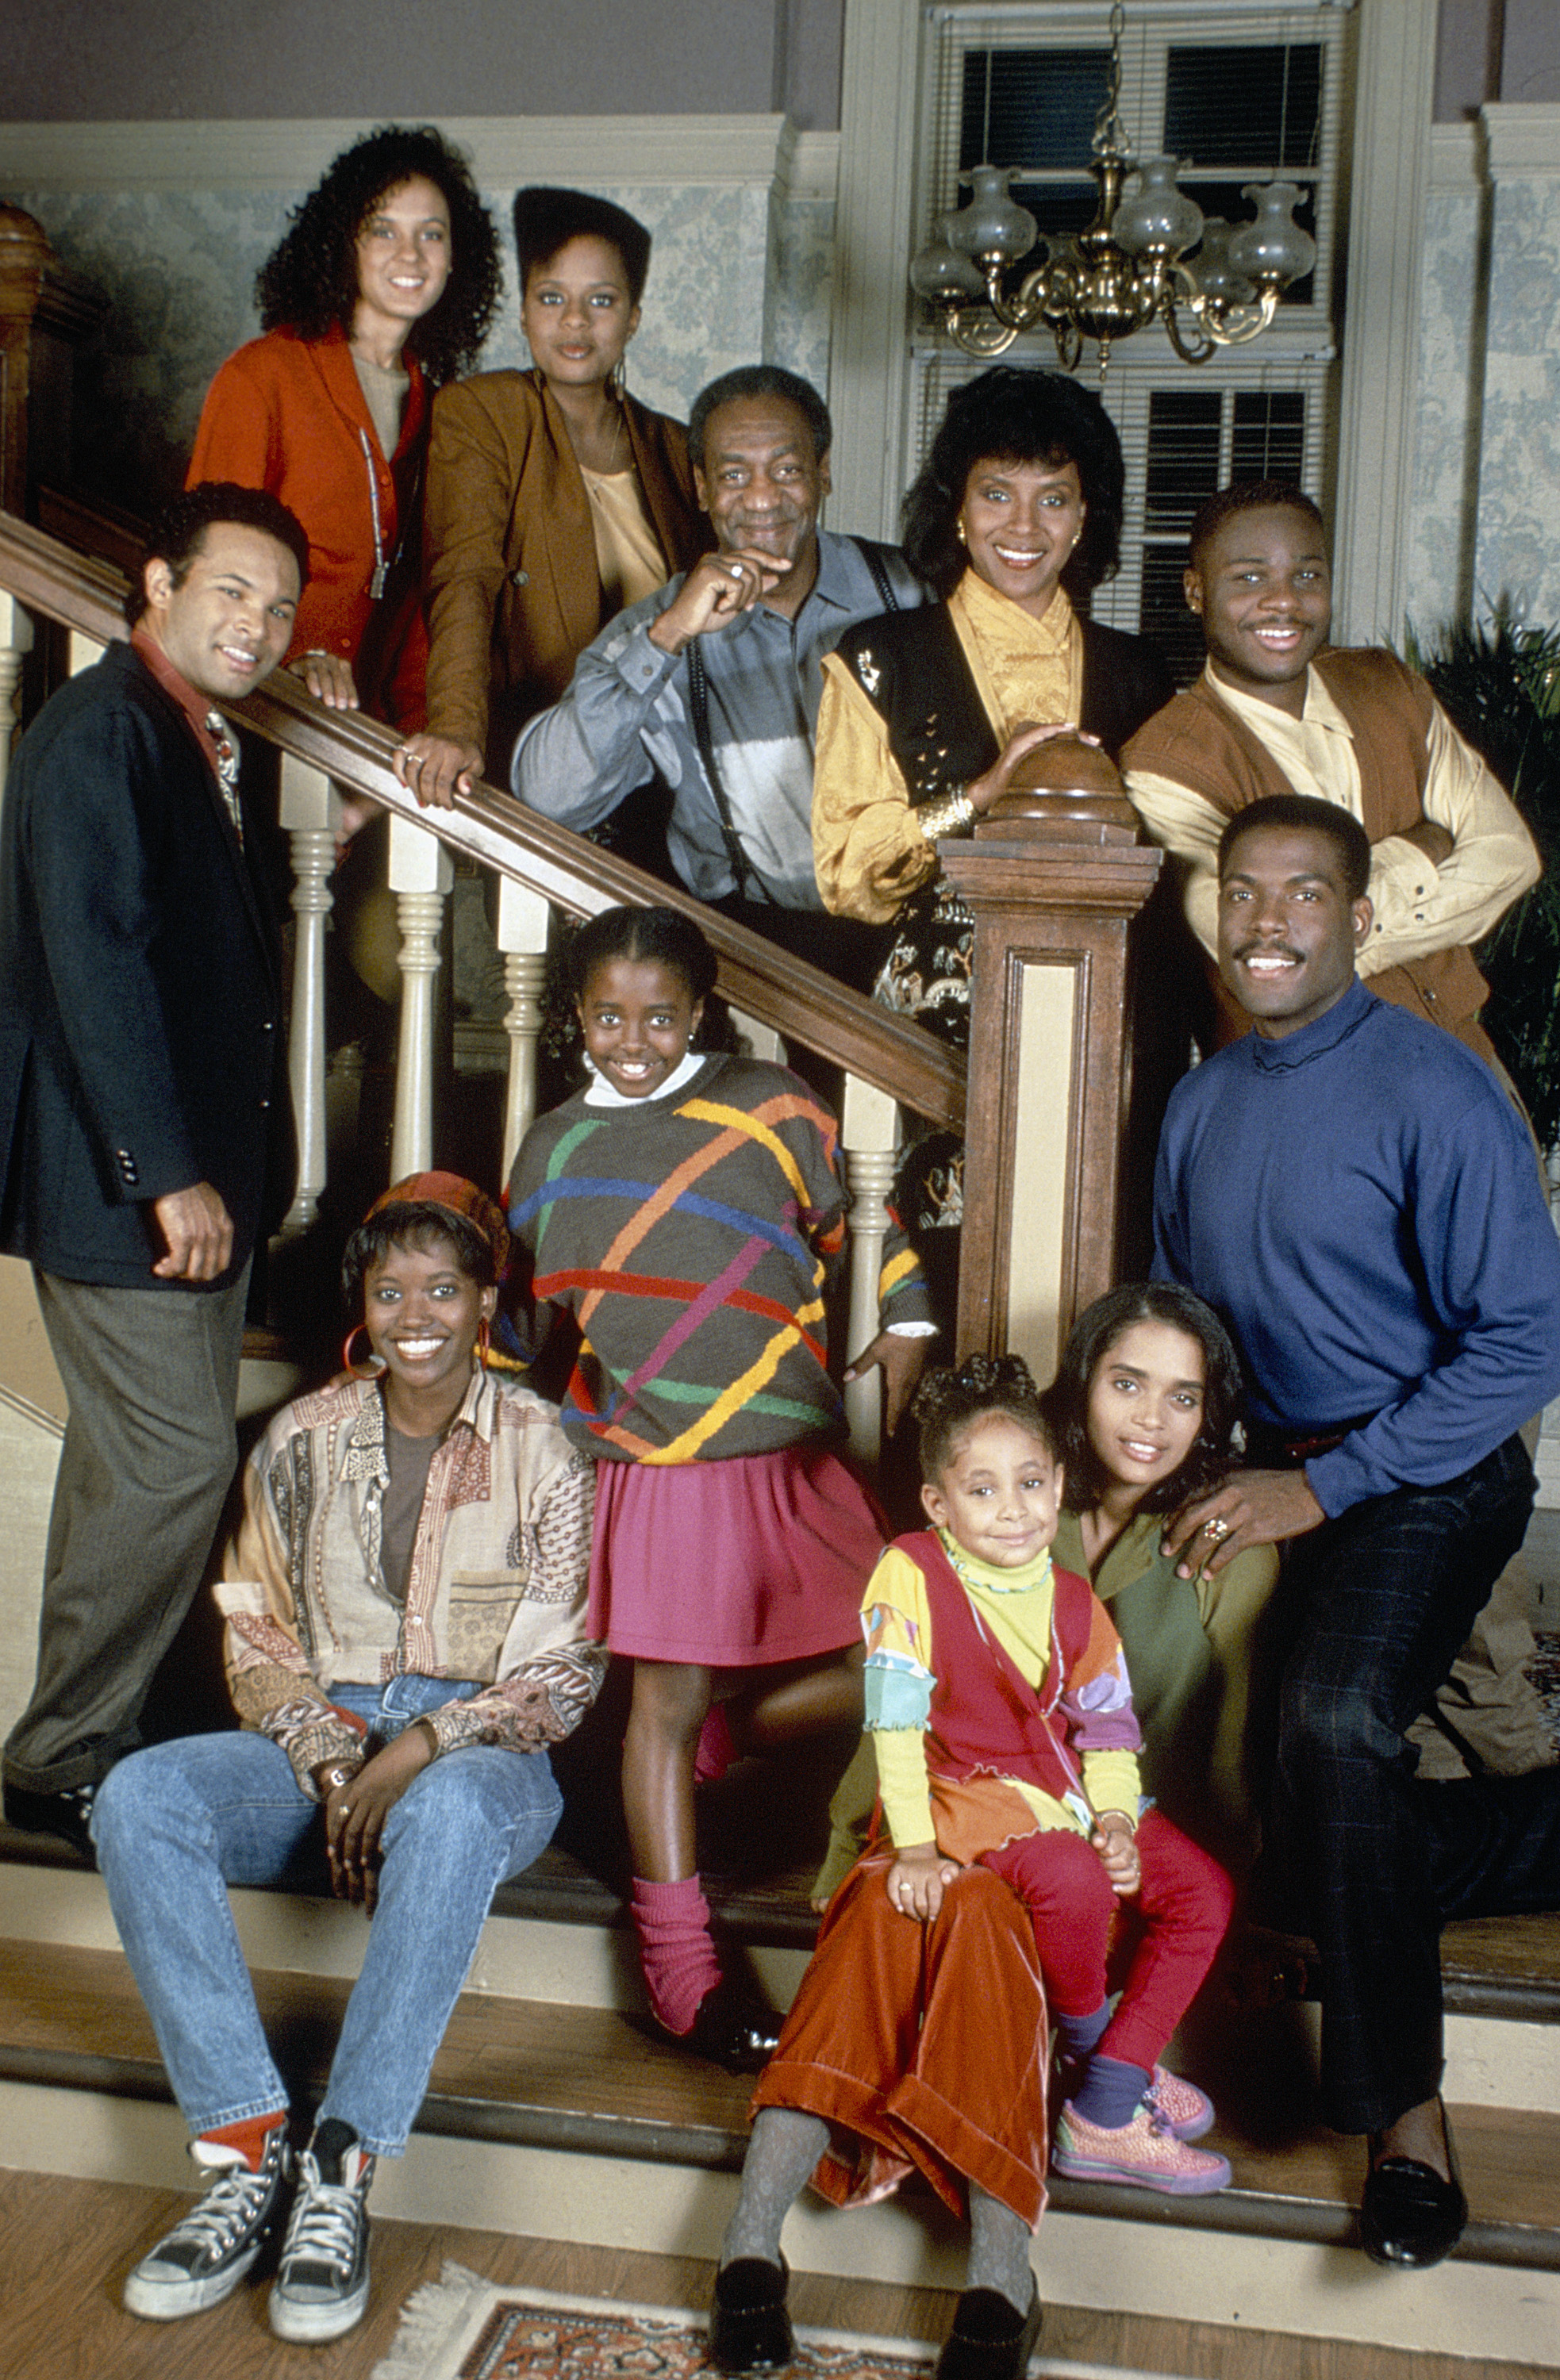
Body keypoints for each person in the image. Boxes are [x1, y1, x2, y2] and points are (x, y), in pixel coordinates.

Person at [1152, 793, 1560, 2269]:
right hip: (1274, 1463)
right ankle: (1538, 1831)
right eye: (1243, 894)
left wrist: (1324, 1491)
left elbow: (1521, 1348)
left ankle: (1405, 2119)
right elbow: (1182, 1317)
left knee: (1331, 1722)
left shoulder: (1436, 1091)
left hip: (1430, 1470)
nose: (1267, 923)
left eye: (1302, 896)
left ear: (1360, 917)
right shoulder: (1201, 1102)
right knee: (1272, 1834)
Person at [92, 1175, 604, 2344]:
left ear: (485, 1301)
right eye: (390, 1290)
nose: (414, 1311)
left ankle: (341, 2166)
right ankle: (243, 2151)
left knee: (452, 1817)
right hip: (319, 1731)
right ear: (362, 1306)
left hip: (485, 1752)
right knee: (140, 1796)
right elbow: (252, 1620)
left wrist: (418, 1748)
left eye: (442, 1286)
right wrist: (335, 1765)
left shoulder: (543, 1449)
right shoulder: (303, 1437)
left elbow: (564, 1666)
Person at [706, 1355, 1233, 2380]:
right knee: (875, 1930)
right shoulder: (911, 1570)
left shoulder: (1072, 1598)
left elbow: (1106, 1734)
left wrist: (1116, 1821)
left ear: (1055, 1483)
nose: (1011, 1509)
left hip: (1049, 1837)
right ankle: (748, 2251)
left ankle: (1001, 2260)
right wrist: (903, 1847)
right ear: (940, 1504)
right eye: (981, 1490)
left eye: (1031, 1483)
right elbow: (893, 1728)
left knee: (989, 1928)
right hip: (930, 1829)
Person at [505, 905, 935, 2069]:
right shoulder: (548, 1150)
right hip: (651, 1461)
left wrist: (906, 1316)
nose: (632, 1038)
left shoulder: (771, 1105)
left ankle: (727, 1731)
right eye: (607, 1016)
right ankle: (680, 1967)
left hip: (787, 1449)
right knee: (662, 1703)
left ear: (701, 1013)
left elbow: (858, 1216)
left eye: (659, 1016)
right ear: (574, 1018)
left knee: (904, 1660)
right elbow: (524, 1317)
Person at [0, 483, 307, 1852]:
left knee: (132, 1468)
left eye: (280, 605)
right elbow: (97, 969)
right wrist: (163, 1174)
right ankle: (62, 1749)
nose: (256, 622)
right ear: (158, 584)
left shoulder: (181, 736)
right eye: (231, 590)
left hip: (184, 1185)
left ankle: (78, 1739)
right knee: (179, 1463)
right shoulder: (103, 733)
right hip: (128, 1186)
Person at [509, 367, 926, 987]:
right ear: (702, 488)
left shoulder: (910, 592)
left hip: (911, 946)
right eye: (734, 475)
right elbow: (548, 795)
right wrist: (669, 638)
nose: (762, 499)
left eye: (786, 469)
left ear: (823, 473)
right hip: (754, 963)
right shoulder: (656, 628)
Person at [812, 364, 1174, 1047]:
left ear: (1084, 513)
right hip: (933, 1028)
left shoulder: (1140, 674)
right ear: (958, 506)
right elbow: (848, 878)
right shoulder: (879, 657)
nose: (1024, 526)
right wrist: (979, 794)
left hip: (1109, 1015)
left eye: (1054, 499)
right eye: (997, 494)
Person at [1123, 479, 1539, 1067]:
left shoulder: (1387, 686)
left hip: (1463, 1059)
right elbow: (1248, 950)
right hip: (1305, 1087)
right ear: (1196, 591)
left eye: (1307, 575)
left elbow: (1510, 856)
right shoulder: (1166, 761)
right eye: (1249, 577)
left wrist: (1322, 934)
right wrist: (1420, 853)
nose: (1283, 601)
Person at [187, 125, 501, 732]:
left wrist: (422, 734)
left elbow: (421, 604)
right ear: (343, 244)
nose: (409, 256)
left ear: (456, 256)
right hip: (256, 708)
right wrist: (291, 659)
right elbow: (206, 572)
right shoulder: (265, 374)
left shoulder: (443, 412)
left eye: (430, 234)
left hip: (362, 734)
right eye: (383, 230)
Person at [401, 185, 709, 801]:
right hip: (541, 766)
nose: (575, 321)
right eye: (551, 298)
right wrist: (458, 727)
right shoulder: (482, 413)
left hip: (666, 778)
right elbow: (465, 577)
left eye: (601, 300)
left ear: (633, 318)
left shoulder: (674, 446)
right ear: (523, 313)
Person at [1047, 1284, 1280, 1876]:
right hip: (1012, 1833)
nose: (1151, 1419)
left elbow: (1236, 1753)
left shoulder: (1231, 1546)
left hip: (1162, 1854)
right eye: (1127, 1384)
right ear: (1082, 1384)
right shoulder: (1018, 1508)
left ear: (1206, 1416)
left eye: (1182, 1398)